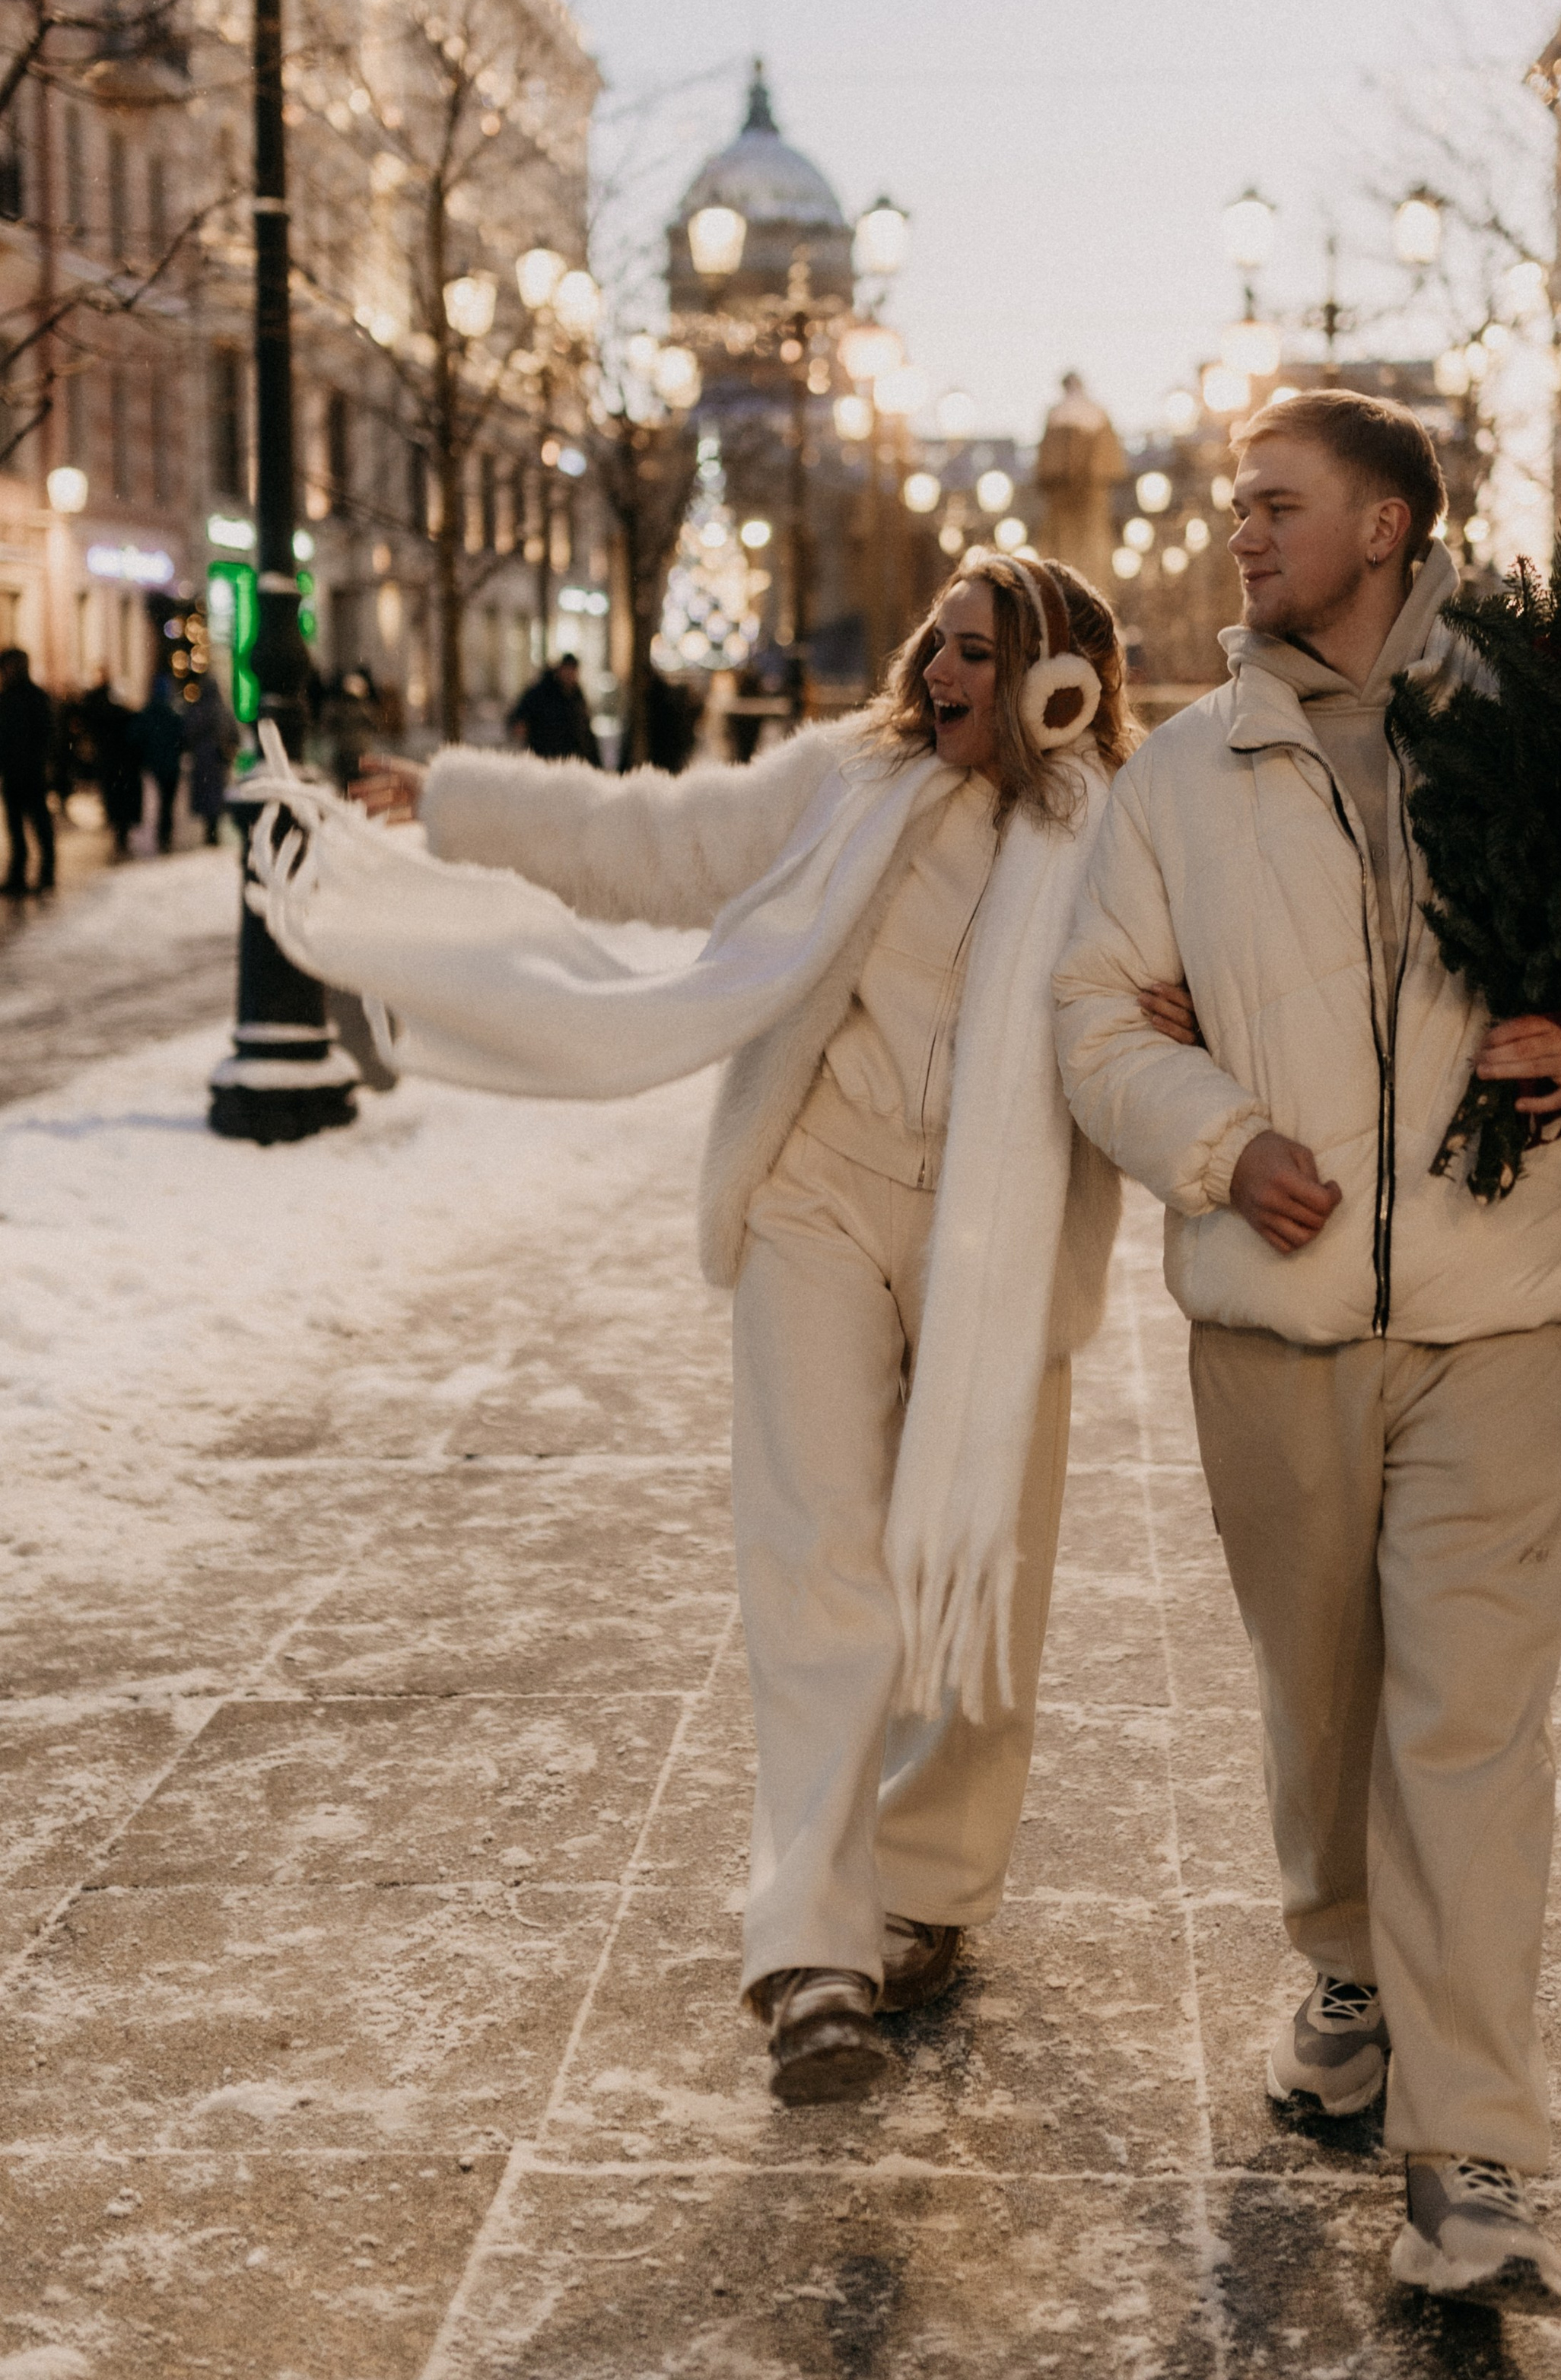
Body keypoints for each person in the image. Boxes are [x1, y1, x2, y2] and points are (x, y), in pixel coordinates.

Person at [253, 550, 1135, 2106]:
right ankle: (812, 1950)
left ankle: (923, 1884)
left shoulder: (1120, 843)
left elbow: (1170, 1007)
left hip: (999, 1247)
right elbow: (648, 839)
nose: (940, 675)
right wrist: (455, 802)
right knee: (814, 1560)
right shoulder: (840, 783)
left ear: (1061, 685)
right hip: (819, 1191)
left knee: (976, 1572)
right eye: (938, 643)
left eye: (981, 659)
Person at [1053, 389, 1561, 2320]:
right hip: (1279, 1319)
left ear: (1387, 524)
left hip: (1499, 1308)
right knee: (1318, 1688)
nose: (1237, 534)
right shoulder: (1178, 771)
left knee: (1470, 1716)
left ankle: (1468, 2146)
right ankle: (1341, 1961)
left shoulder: (1536, 739)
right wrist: (1222, 1140)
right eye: (1234, 505)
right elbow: (1091, 1020)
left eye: (1274, 504)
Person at [0, 646, 57, 897]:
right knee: (16, 826)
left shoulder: (33, 697)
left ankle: (46, 872)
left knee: (38, 823)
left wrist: (42, 762)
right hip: (14, 771)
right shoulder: (8, 698)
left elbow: (46, 735)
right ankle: (18, 874)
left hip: (31, 771)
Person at [78, 671, 141, 855]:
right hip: (123, 767)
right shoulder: (125, 717)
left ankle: (120, 832)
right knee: (122, 800)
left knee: (116, 800)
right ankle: (122, 832)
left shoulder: (103, 718)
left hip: (114, 766)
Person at [508, 651, 600, 763]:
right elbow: (518, 718)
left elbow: (585, 733)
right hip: (544, 759)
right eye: (567, 670)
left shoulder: (577, 696)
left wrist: (595, 762)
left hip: (570, 761)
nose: (570, 675)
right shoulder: (542, 692)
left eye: (573, 671)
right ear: (560, 670)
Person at [130, 676, 186, 853]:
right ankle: (165, 833)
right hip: (170, 763)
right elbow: (183, 737)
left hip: (156, 763)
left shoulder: (148, 713)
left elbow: (135, 736)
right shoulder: (173, 714)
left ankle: (162, 834)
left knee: (162, 799)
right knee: (167, 801)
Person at [182, 679, 241, 845]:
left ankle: (210, 830)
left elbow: (187, 734)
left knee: (206, 795)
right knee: (216, 796)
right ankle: (213, 829)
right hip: (218, 761)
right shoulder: (223, 711)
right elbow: (235, 735)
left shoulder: (197, 710)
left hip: (202, 761)